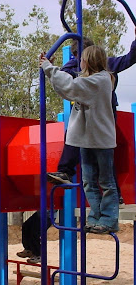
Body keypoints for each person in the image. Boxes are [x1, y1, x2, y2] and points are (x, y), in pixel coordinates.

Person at [47, 30, 136, 208]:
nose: (81, 59)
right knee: (73, 137)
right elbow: (66, 83)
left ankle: (114, 195)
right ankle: (65, 171)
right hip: (83, 111)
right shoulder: (73, 67)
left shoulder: (106, 67)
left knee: (102, 152)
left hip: (102, 111)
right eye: (78, 56)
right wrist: (51, 69)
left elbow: (129, 58)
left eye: (84, 55)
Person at [40, 45, 119, 234]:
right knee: (88, 181)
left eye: (82, 58)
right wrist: (51, 70)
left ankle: (109, 219)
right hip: (87, 139)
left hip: (100, 140)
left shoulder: (101, 80)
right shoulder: (91, 80)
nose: (80, 61)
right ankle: (95, 217)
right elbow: (67, 88)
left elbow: (71, 86)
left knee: (106, 181)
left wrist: (49, 68)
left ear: (89, 61)